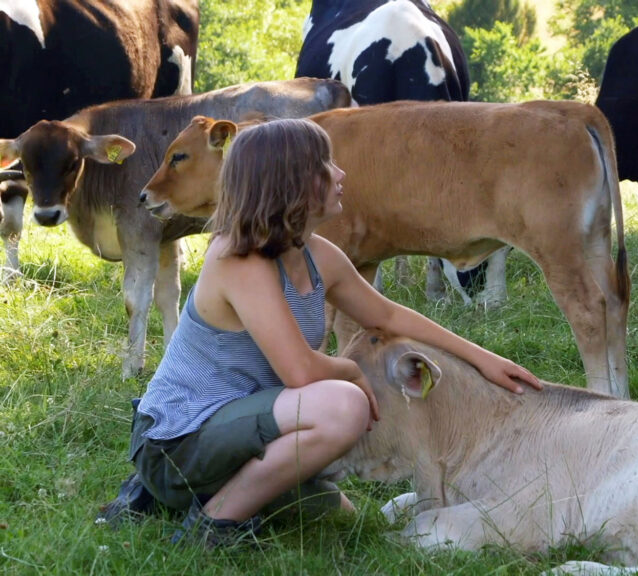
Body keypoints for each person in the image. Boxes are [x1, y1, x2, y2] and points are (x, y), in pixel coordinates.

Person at [98, 118, 541, 546]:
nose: (341, 173)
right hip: (180, 441)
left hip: (245, 431)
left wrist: (485, 360)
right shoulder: (237, 259)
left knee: (338, 515)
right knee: (343, 408)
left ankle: (166, 500)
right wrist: (353, 375)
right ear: (290, 181)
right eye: (325, 166)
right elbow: (300, 371)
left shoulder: (317, 254)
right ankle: (211, 526)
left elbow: (386, 316)